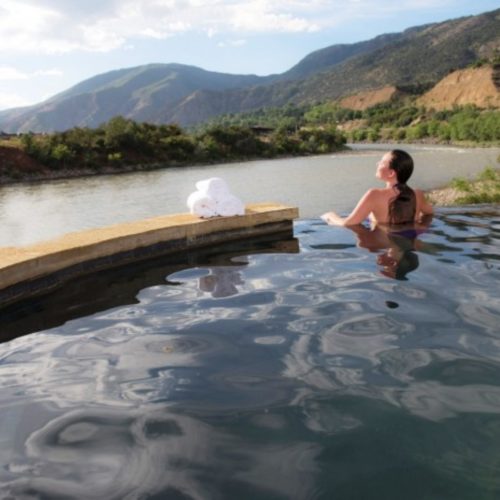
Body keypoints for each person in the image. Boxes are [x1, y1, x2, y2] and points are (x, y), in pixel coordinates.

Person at [321, 149, 433, 226]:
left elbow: (347, 223)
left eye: (382, 162)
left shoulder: (374, 195)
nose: (377, 163)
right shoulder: (418, 194)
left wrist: (330, 216)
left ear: (391, 173)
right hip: (409, 242)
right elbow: (429, 213)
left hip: (382, 243)